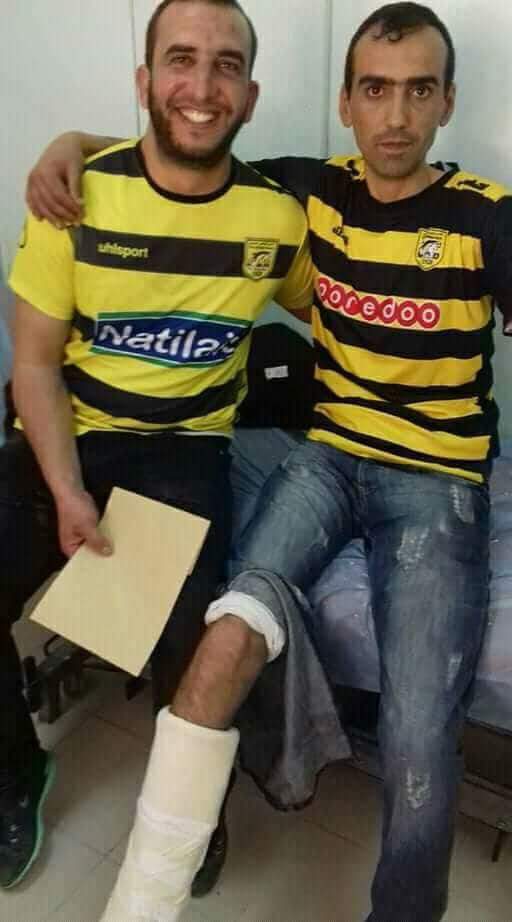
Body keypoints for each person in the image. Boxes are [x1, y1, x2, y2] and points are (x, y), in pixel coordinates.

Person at [26, 2, 512, 921]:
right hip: (325, 459)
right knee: (227, 632)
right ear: (345, 103)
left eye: (419, 91)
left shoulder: (487, 218)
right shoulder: (306, 192)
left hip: (436, 482)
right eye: (375, 90)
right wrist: (68, 144)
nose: (395, 117)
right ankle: (143, 903)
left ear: (448, 102)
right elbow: (181, 141)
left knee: (418, 732)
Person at [1, 0, 315, 901]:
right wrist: (68, 492)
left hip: (185, 449)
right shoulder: (73, 196)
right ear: (145, 81)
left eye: (226, 66)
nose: (202, 85)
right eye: (181, 60)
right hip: (66, 434)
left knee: (191, 635)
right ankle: (16, 773)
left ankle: (190, 807)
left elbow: (333, 312)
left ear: (250, 95)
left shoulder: (275, 219)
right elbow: (32, 364)